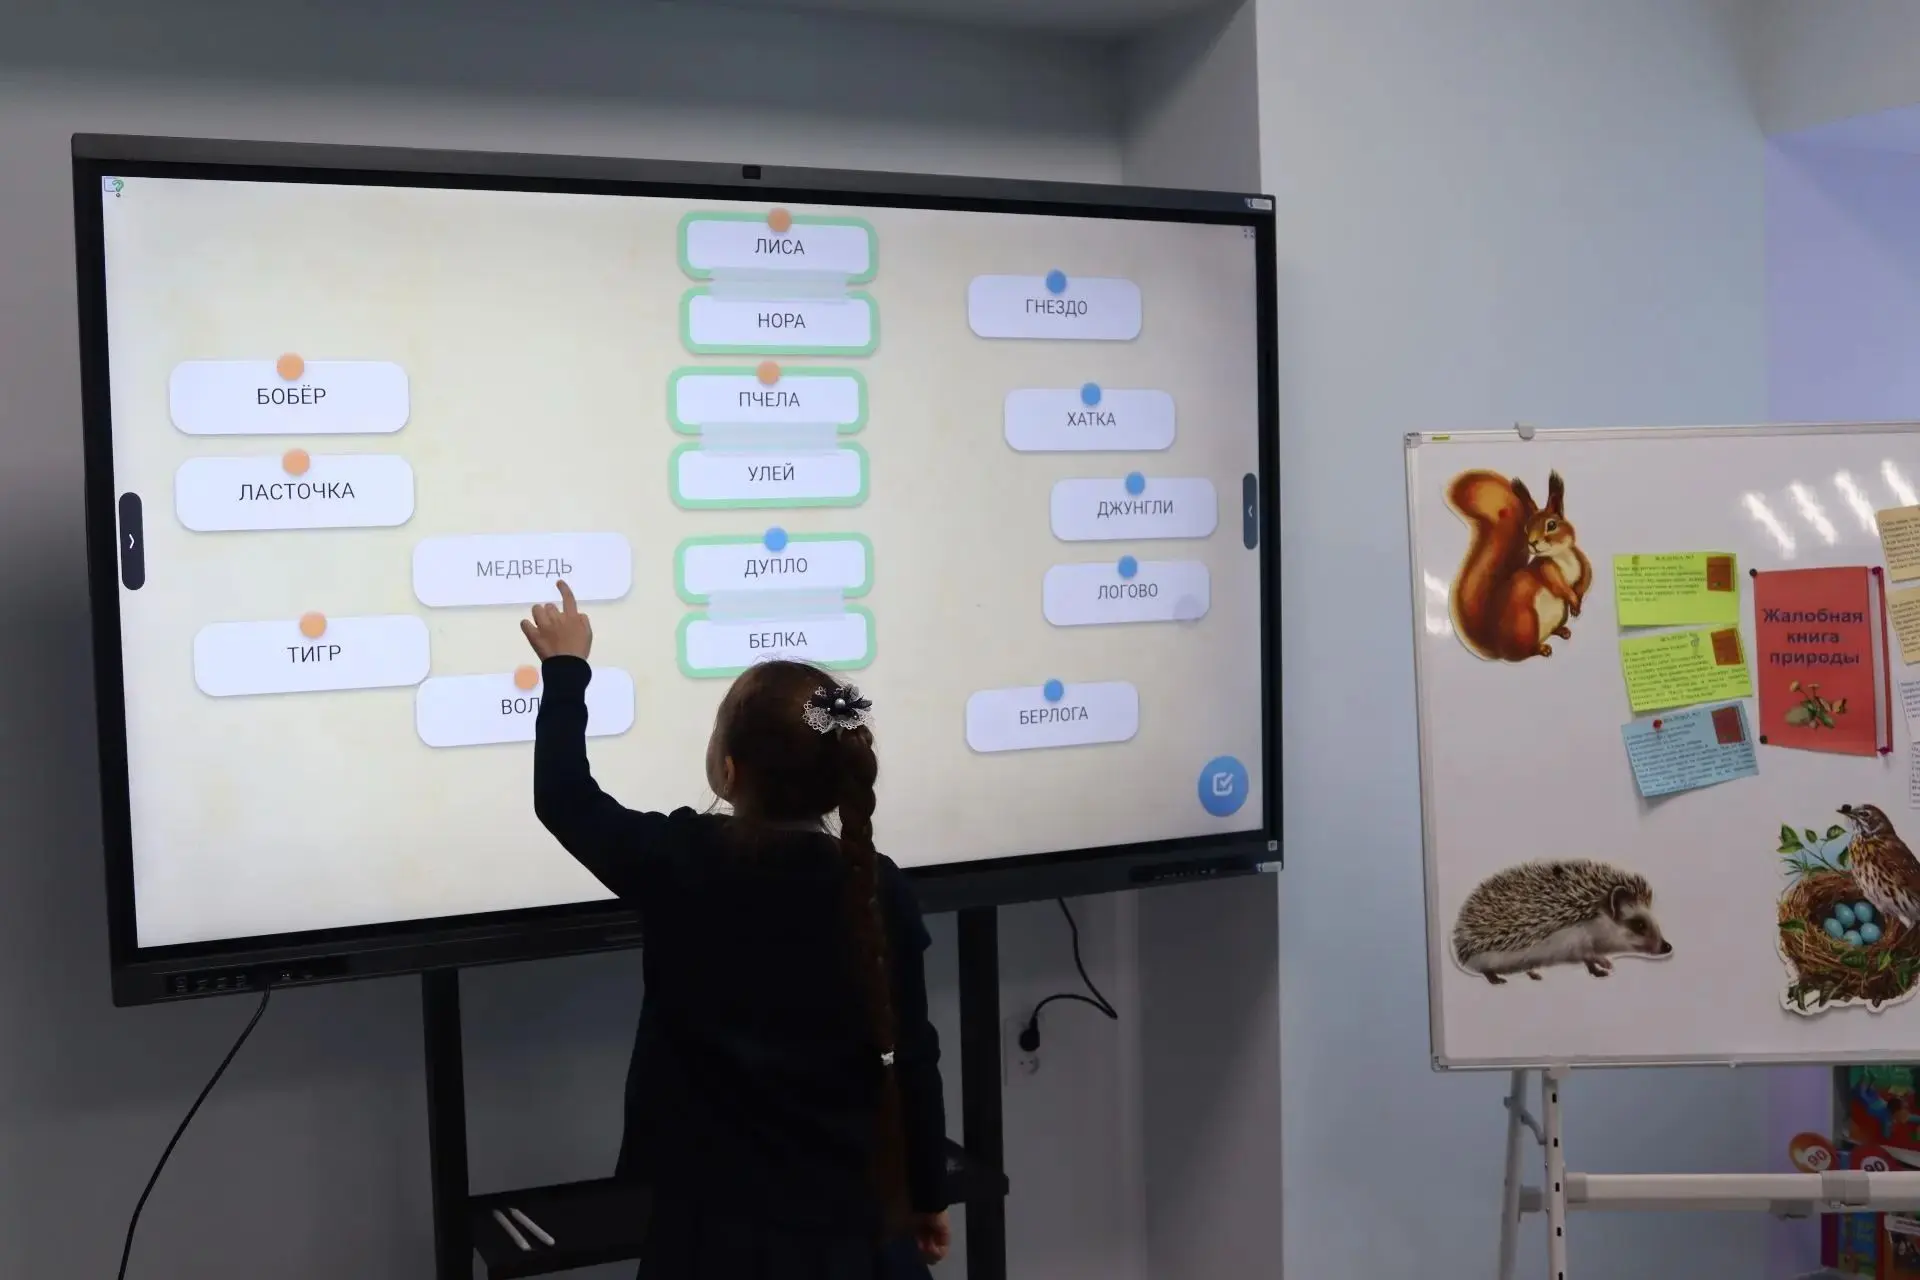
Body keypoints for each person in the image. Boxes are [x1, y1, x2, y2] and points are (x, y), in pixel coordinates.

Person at [521, 581, 951, 1279]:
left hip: (710, 1237)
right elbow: (915, 1060)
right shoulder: (879, 887)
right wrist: (927, 1194)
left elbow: (564, 797)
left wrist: (566, 668)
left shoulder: (681, 860)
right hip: (857, 1233)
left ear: (728, 770)